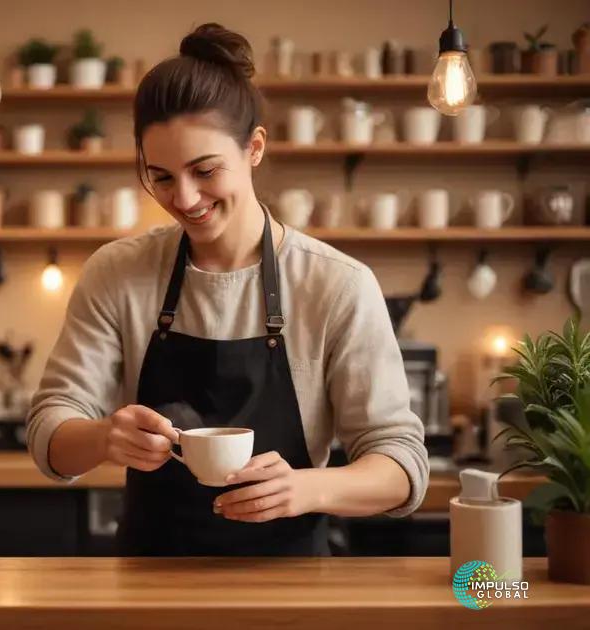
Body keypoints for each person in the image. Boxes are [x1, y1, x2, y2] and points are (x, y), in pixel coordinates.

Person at [26, 23, 429, 556]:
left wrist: (307, 489)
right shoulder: (116, 273)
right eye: (161, 177)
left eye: (205, 170)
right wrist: (104, 438)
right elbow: (49, 430)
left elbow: (401, 464)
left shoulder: (336, 284)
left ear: (255, 147)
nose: (185, 198)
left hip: (293, 592)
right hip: (148, 584)